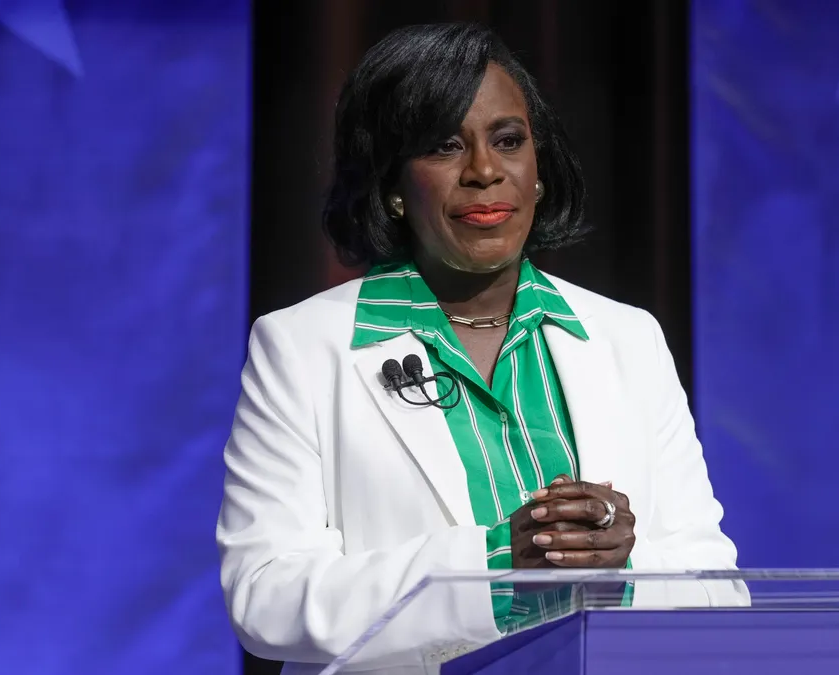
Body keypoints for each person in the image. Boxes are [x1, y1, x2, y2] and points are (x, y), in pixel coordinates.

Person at [217, 22, 748, 674]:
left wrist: (621, 567)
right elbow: (266, 597)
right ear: (392, 184)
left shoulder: (626, 338)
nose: (485, 171)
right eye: (444, 146)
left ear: (540, 171)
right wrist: (497, 564)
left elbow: (719, 586)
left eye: (508, 140)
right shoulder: (302, 347)